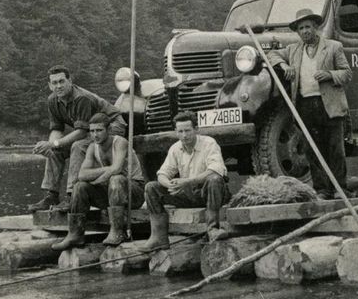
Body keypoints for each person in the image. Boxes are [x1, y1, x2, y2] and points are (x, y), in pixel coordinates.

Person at [267, 8, 352, 199]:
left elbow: (347, 74)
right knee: (313, 149)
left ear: (316, 28)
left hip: (329, 105)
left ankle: (340, 189)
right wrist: (284, 65)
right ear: (297, 32)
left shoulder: (333, 47)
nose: (305, 31)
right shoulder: (293, 50)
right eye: (301, 28)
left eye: (308, 27)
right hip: (305, 105)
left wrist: (329, 75)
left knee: (335, 149)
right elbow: (272, 55)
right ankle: (322, 190)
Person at [28, 65, 125, 213]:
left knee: (78, 146)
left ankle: (71, 195)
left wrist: (53, 143)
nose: (58, 86)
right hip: (90, 129)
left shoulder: (81, 98)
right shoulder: (52, 101)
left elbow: (80, 132)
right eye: (54, 83)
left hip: (112, 125)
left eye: (62, 81)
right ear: (49, 85)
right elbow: (56, 129)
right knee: (55, 150)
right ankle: (51, 195)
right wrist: (51, 146)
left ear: (70, 81)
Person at [52, 113, 145, 250]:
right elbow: (82, 174)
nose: (95, 135)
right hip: (110, 192)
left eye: (99, 130)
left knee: (117, 178)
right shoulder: (92, 147)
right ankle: (75, 234)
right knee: (80, 186)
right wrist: (106, 172)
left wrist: (101, 176)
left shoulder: (120, 142)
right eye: (92, 131)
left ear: (108, 130)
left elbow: (117, 168)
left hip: (133, 193)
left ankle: (117, 231)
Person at [142, 111, 230, 248]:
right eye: (180, 131)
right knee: (151, 187)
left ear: (196, 129)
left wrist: (187, 182)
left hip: (210, 193)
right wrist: (171, 185)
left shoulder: (209, 143)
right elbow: (162, 173)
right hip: (188, 194)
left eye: (188, 130)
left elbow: (215, 170)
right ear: (176, 132)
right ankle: (159, 237)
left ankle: (213, 229)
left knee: (214, 179)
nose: (184, 135)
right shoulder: (175, 148)